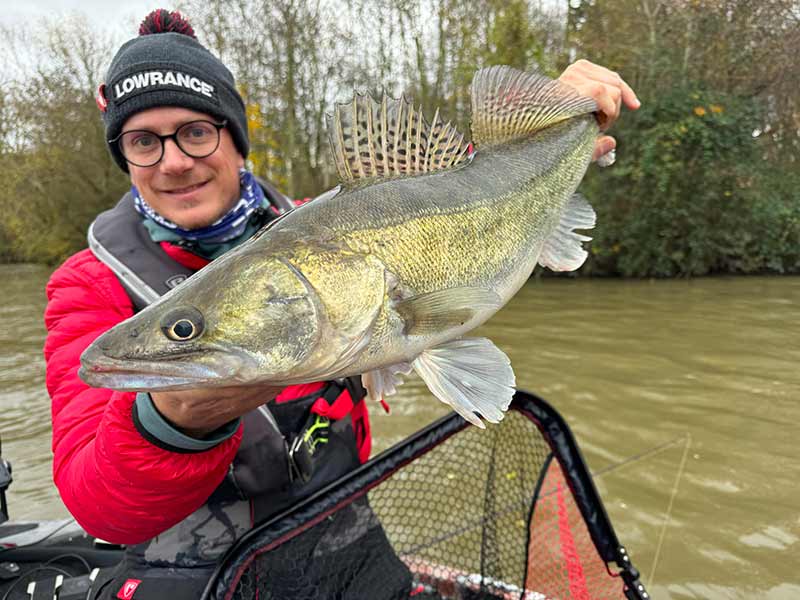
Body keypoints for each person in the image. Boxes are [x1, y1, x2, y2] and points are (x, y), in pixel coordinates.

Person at [42, 8, 639, 599]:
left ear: (234, 137)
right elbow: (100, 508)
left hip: (351, 548)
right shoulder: (88, 285)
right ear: (124, 156)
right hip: (197, 579)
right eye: (144, 141)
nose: (174, 161)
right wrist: (174, 420)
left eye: (196, 132)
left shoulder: (325, 220)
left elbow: (466, 186)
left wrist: (555, 115)